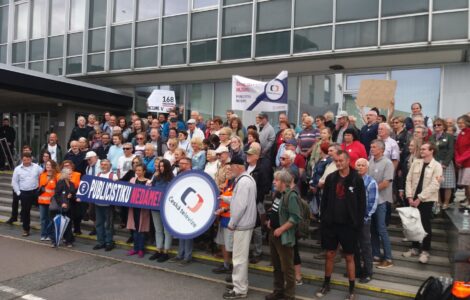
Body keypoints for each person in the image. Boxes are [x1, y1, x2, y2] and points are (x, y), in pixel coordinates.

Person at [316, 150, 365, 300]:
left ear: (347, 160)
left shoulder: (356, 178)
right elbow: (324, 201)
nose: (338, 163)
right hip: (331, 224)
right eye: (336, 161)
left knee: (349, 257)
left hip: (348, 226)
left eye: (341, 160)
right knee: (330, 254)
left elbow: (361, 204)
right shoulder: (331, 178)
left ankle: (351, 289)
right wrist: (324, 219)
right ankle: (326, 284)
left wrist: (357, 223)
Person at [223, 156, 257, 299]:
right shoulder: (246, 179)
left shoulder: (243, 182)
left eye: (231, 167)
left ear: (238, 166)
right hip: (245, 223)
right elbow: (238, 200)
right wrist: (224, 198)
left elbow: (240, 205)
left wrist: (232, 223)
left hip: (242, 224)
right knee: (240, 257)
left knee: (239, 259)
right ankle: (239, 284)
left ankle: (240, 290)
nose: (230, 169)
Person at [403, 142, 443, 264]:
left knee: (425, 225)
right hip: (413, 198)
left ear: (432, 151)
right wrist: (409, 196)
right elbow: (408, 179)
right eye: (421, 149)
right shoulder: (416, 162)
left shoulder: (437, 166)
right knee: (413, 224)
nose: (422, 151)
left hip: (426, 200)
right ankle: (414, 248)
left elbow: (435, 185)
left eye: (425, 149)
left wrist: (420, 198)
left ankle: (425, 251)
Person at [265, 170, 301, 300]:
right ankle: (278, 291)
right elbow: (276, 210)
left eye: (277, 180)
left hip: (283, 236)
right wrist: (271, 221)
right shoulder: (279, 194)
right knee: (277, 266)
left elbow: (295, 217)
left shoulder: (291, 196)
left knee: (288, 269)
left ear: (283, 182)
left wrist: (281, 229)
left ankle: (289, 295)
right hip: (273, 234)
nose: (274, 182)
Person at [368, 140, 394, 269]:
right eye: (371, 147)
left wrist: (370, 189)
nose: (371, 149)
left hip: (381, 201)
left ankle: (388, 258)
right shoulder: (370, 161)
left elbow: (386, 183)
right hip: (371, 201)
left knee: (381, 229)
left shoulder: (388, 163)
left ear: (381, 149)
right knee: (372, 230)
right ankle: (376, 255)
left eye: (374, 147)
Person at [354, 158, 378, 283]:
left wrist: (364, 217)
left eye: (363, 165)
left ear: (367, 168)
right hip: (352, 220)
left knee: (365, 246)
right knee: (354, 246)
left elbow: (373, 203)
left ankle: (368, 272)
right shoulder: (352, 180)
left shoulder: (371, 182)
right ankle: (357, 270)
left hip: (364, 220)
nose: (360, 167)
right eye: (358, 165)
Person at [246, 146, 270, 264]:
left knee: (257, 228)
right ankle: (248, 250)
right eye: (247, 154)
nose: (247, 156)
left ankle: (257, 252)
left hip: (256, 202)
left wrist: (255, 200)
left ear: (256, 156)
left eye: (250, 155)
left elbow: (264, 187)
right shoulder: (245, 168)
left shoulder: (261, 169)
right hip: (244, 201)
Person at [169, 157, 195, 266]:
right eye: (180, 163)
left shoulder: (193, 175)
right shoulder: (179, 174)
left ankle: (187, 256)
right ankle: (180, 254)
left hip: (189, 207)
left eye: (183, 163)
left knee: (188, 232)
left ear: (189, 164)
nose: (180, 165)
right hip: (179, 206)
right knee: (181, 231)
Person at [11, 152, 42, 236]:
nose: (27, 161)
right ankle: (26, 229)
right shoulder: (17, 169)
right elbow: (14, 182)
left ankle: (46, 229)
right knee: (25, 212)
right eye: (25, 160)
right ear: (22, 160)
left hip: (35, 192)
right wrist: (18, 193)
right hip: (24, 193)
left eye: (28, 159)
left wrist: (40, 188)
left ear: (31, 159)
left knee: (44, 209)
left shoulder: (37, 167)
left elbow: (43, 176)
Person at [149, 159, 174, 262]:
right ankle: (159, 249)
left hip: (166, 207)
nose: (161, 168)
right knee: (158, 229)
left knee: (166, 230)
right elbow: (152, 188)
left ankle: (166, 251)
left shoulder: (172, 178)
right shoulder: (156, 176)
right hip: (155, 206)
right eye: (160, 166)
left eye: (163, 166)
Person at [92, 159, 118, 251]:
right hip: (98, 203)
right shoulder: (97, 175)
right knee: (99, 223)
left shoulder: (113, 176)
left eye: (105, 164)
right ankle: (100, 242)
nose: (103, 166)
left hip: (108, 205)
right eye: (102, 164)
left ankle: (109, 242)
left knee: (108, 224)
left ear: (110, 166)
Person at [430, 119, 455, 210]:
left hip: (445, 162)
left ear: (444, 126)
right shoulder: (432, 137)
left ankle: (446, 202)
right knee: (436, 183)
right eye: (435, 125)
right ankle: (438, 202)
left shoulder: (449, 136)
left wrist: (445, 163)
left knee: (447, 184)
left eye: (439, 125)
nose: (436, 126)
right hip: (435, 162)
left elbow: (451, 150)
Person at [127, 164, 151, 258]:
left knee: (141, 230)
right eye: (136, 170)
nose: (138, 172)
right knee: (135, 229)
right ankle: (135, 248)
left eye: (140, 170)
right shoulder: (132, 180)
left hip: (143, 210)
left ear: (144, 171)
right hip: (133, 208)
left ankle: (141, 249)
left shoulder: (148, 182)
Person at [50, 168, 76, 247]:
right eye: (69, 174)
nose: (71, 175)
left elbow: (73, 194)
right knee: (57, 223)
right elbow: (57, 195)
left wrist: (72, 196)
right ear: (65, 174)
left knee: (68, 224)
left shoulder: (71, 184)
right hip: (60, 207)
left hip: (69, 207)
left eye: (71, 174)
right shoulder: (60, 183)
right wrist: (62, 203)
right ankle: (54, 241)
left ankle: (68, 240)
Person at [38, 160, 59, 241]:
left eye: (49, 165)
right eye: (47, 164)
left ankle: (50, 234)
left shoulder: (57, 176)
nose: (48, 166)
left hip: (51, 201)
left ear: (53, 166)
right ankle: (43, 234)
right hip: (42, 201)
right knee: (43, 219)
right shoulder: (42, 175)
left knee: (51, 219)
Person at [455, 115, 470, 207]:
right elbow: (456, 148)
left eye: (461, 122)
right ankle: (467, 199)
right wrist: (457, 159)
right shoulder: (460, 133)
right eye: (458, 123)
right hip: (461, 163)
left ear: (467, 122)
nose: (459, 125)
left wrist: (460, 159)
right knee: (465, 184)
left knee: (468, 184)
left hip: (468, 163)